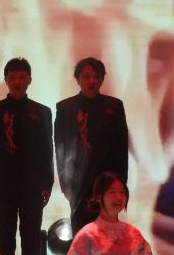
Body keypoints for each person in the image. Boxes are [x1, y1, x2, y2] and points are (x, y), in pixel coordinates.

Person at [0, 58, 55, 255]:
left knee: (31, 235)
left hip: (32, 184)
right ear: (5, 80)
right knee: (4, 236)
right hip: (3, 184)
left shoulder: (41, 112)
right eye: (12, 78)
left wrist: (47, 183)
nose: (17, 82)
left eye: (22, 78)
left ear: (29, 80)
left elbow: (47, 150)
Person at [54, 57, 131, 228]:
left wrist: (121, 183)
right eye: (86, 76)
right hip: (78, 181)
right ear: (78, 79)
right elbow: (60, 148)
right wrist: (65, 185)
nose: (92, 81)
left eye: (96, 76)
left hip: (107, 179)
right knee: (81, 231)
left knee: (107, 228)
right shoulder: (65, 108)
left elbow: (121, 147)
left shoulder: (114, 106)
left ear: (102, 79)